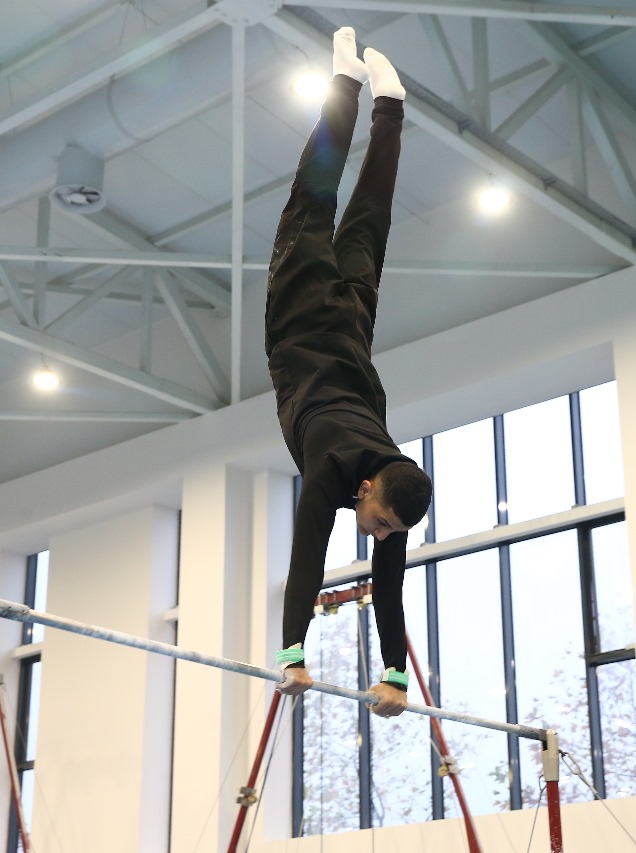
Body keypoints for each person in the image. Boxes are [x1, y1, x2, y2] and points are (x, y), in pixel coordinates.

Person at [264, 28, 433, 719]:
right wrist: (292, 654)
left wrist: (396, 674)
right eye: (381, 522)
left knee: (371, 219)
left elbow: (388, 590)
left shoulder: (394, 490)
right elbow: (306, 562)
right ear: (366, 487)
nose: (380, 536)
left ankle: (388, 106)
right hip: (303, 314)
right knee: (316, 191)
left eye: (387, 530)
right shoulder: (334, 472)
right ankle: (344, 85)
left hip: (354, 324)